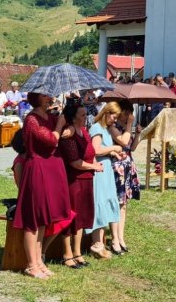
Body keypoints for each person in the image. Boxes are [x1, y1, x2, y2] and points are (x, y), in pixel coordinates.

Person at [14, 93, 73, 279]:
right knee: (34, 218)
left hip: (51, 169)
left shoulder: (51, 117)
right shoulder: (32, 119)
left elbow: (67, 128)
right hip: (38, 168)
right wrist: (59, 127)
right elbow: (50, 140)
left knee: (43, 219)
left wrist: (69, 128)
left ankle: (39, 261)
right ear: (37, 98)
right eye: (45, 96)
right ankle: (31, 265)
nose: (50, 98)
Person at [57, 103, 99, 269]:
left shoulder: (84, 132)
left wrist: (93, 163)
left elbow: (90, 151)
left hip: (87, 179)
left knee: (82, 216)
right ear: (73, 118)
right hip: (73, 180)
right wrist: (94, 166)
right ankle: (67, 254)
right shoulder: (68, 134)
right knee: (71, 216)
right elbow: (74, 162)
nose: (85, 117)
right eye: (82, 115)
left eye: (85, 114)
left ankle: (77, 252)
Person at [87, 102, 123, 257]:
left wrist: (113, 154)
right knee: (100, 204)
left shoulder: (106, 130)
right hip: (100, 172)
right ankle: (97, 244)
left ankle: (100, 243)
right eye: (114, 117)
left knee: (106, 204)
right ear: (107, 113)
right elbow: (95, 150)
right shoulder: (97, 128)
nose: (115, 120)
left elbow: (103, 149)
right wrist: (113, 148)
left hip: (106, 170)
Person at [107, 103, 141, 254]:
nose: (128, 116)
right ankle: (114, 238)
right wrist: (129, 125)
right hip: (117, 167)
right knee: (117, 202)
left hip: (127, 165)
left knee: (124, 204)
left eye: (130, 113)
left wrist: (138, 134)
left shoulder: (125, 128)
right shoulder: (113, 127)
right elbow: (123, 141)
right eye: (126, 113)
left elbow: (131, 147)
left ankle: (121, 238)